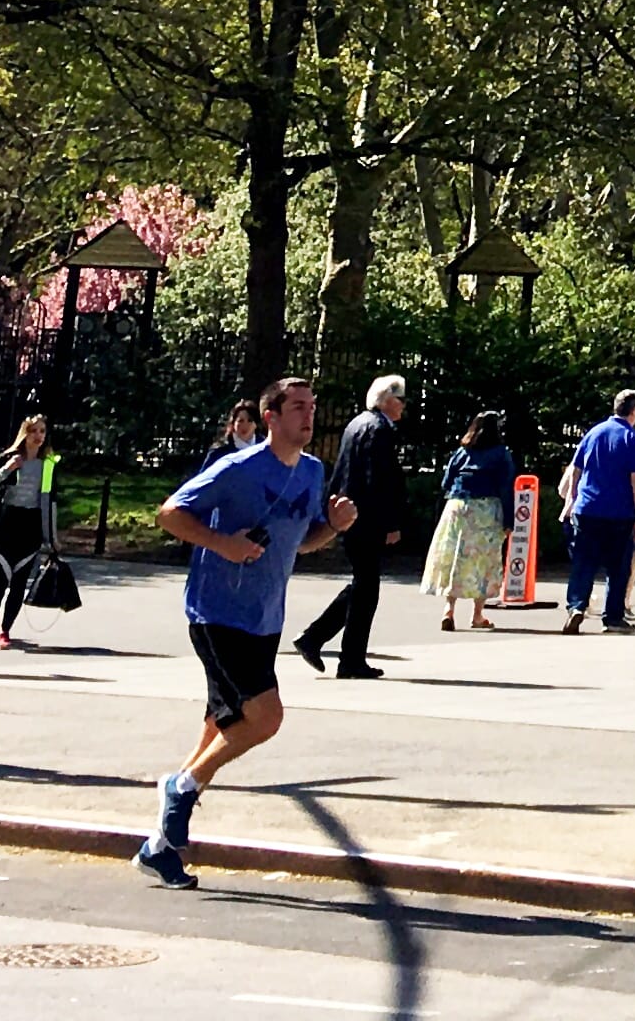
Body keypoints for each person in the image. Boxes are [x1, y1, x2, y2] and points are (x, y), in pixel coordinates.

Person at [136, 377, 355, 890]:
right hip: (217, 612)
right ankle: (180, 786)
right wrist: (223, 544)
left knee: (220, 725)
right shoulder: (236, 468)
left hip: (264, 618)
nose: (309, 416)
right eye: (298, 408)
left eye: (312, 407)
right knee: (265, 717)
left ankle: (159, 848)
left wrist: (336, 526)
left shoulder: (312, 472)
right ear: (271, 417)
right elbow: (170, 513)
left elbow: (301, 544)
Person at [295, 377, 406, 677]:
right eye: (402, 399)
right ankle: (348, 658)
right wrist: (389, 523)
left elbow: (344, 471)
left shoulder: (357, 424)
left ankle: (316, 640)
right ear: (387, 400)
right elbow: (377, 480)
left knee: (363, 585)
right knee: (366, 588)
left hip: (349, 513)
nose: (404, 406)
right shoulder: (379, 429)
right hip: (365, 517)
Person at [562, 390, 635, 634]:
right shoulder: (633, 440)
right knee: (618, 567)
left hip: (587, 508)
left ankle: (576, 606)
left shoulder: (594, 433)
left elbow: (575, 470)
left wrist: (571, 500)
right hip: (618, 513)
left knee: (583, 562)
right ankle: (613, 617)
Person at [423, 410, 517, 633]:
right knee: (484, 560)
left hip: (457, 506)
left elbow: (446, 481)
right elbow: (506, 487)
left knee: (455, 557)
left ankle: (449, 609)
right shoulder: (501, 453)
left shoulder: (462, 451)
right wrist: (508, 520)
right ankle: (477, 614)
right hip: (486, 508)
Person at [0, 415, 61, 650]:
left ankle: (5, 631)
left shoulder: (49, 465)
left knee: (19, 583)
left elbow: (50, 501)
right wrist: (7, 469)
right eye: (33, 431)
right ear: (24, 433)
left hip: (31, 525)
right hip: (6, 523)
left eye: (42, 431)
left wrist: (52, 537)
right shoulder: (9, 458)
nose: (38, 436)